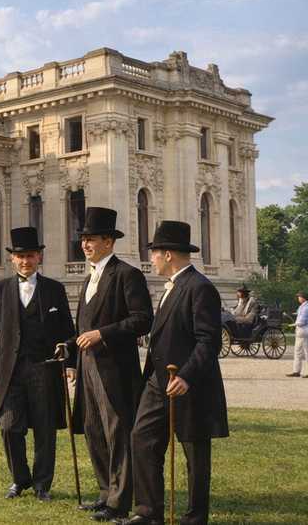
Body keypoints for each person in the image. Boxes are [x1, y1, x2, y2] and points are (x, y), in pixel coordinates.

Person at [120, 221, 228, 525]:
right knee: (142, 438)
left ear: (168, 254)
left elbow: (209, 341)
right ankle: (147, 511)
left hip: (190, 384)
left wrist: (186, 376)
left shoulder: (200, 287)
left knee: (195, 455)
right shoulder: (171, 287)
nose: (151, 258)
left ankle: (195, 518)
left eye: (154, 253)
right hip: (158, 381)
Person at [60, 207, 153, 522]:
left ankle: (119, 500)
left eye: (92, 239)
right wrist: (73, 359)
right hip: (87, 365)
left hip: (115, 367)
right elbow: (80, 326)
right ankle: (105, 492)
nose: (85, 245)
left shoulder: (127, 274)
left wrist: (103, 334)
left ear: (109, 242)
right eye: (83, 239)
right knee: (92, 428)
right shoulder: (88, 277)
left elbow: (142, 320)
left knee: (117, 432)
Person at [0, 226, 75, 502]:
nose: (25, 261)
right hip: (9, 371)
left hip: (45, 369)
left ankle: (42, 484)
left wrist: (70, 361)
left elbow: (68, 330)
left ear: (39, 257)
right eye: (20, 256)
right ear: (12, 259)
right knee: (10, 427)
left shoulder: (55, 290)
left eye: (31, 256)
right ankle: (20, 480)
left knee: (45, 430)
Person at [288, 291, 308, 378]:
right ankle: (296, 371)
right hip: (300, 332)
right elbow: (298, 315)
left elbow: (302, 321)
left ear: (303, 297)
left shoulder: (306, 307)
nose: (298, 298)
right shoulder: (302, 307)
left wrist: (294, 324)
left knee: (306, 352)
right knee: (297, 352)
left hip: (304, 330)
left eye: (299, 297)